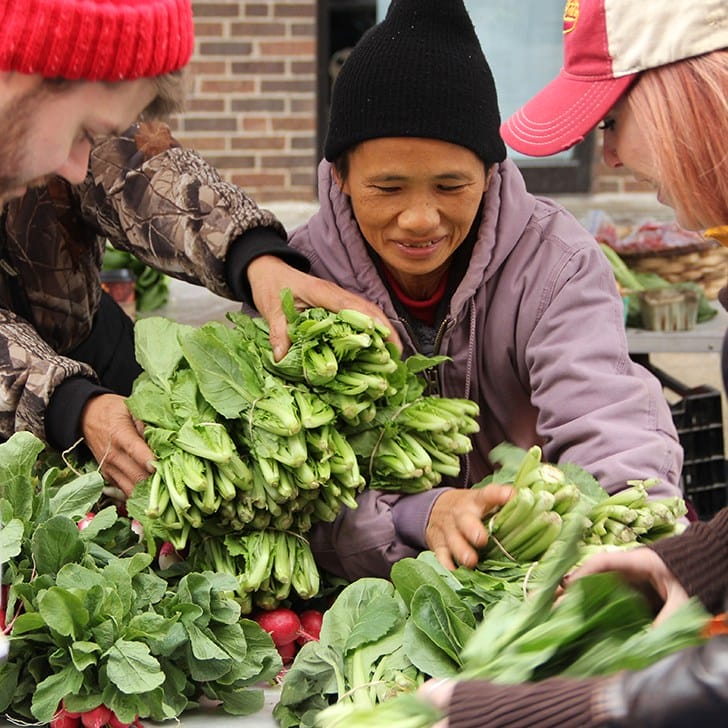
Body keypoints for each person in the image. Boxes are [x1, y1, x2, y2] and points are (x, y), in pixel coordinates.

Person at [292, 0, 683, 580]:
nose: (420, 219)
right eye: (388, 188)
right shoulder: (298, 277)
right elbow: (289, 494)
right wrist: (418, 514)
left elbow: (608, 417)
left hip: (533, 572)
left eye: (452, 185)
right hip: (360, 592)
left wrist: (628, 532)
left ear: (491, 173)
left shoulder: (557, 264)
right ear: (341, 177)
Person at [417, 0, 728, 725]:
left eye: (612, 121)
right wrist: (692, 562)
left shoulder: (555, 256)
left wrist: (567, 709)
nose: (609, 156)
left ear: (690, 88)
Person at [0, 0, 397, 498]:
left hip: (92, 347)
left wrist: (253, 256)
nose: (79, 168)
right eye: (82, 130)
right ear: (18, 69)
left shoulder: (41, 123)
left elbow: (131, 168)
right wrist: (68, 405)